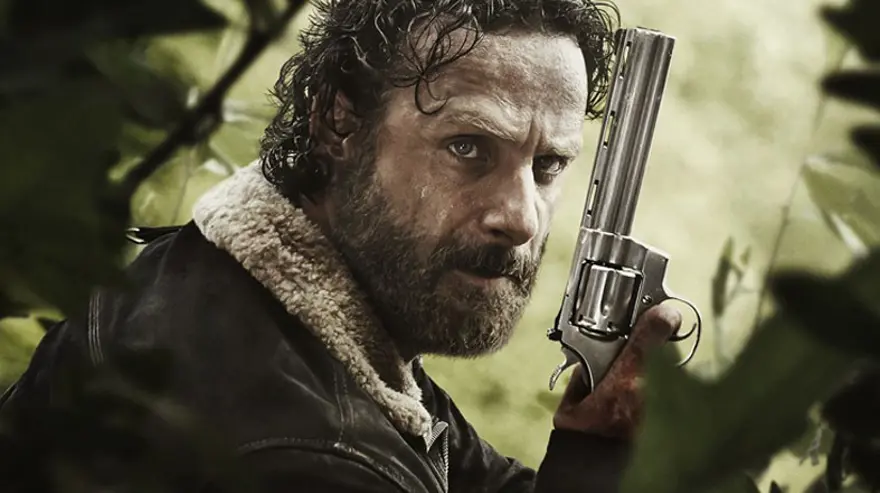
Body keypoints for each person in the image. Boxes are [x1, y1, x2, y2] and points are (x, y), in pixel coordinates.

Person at [1, 0, 681, 491]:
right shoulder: (314, 455)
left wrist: (595, 443)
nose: (522, 217)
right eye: (468, 147)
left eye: (548, 165)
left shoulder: (269, 290)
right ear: (339, 122)